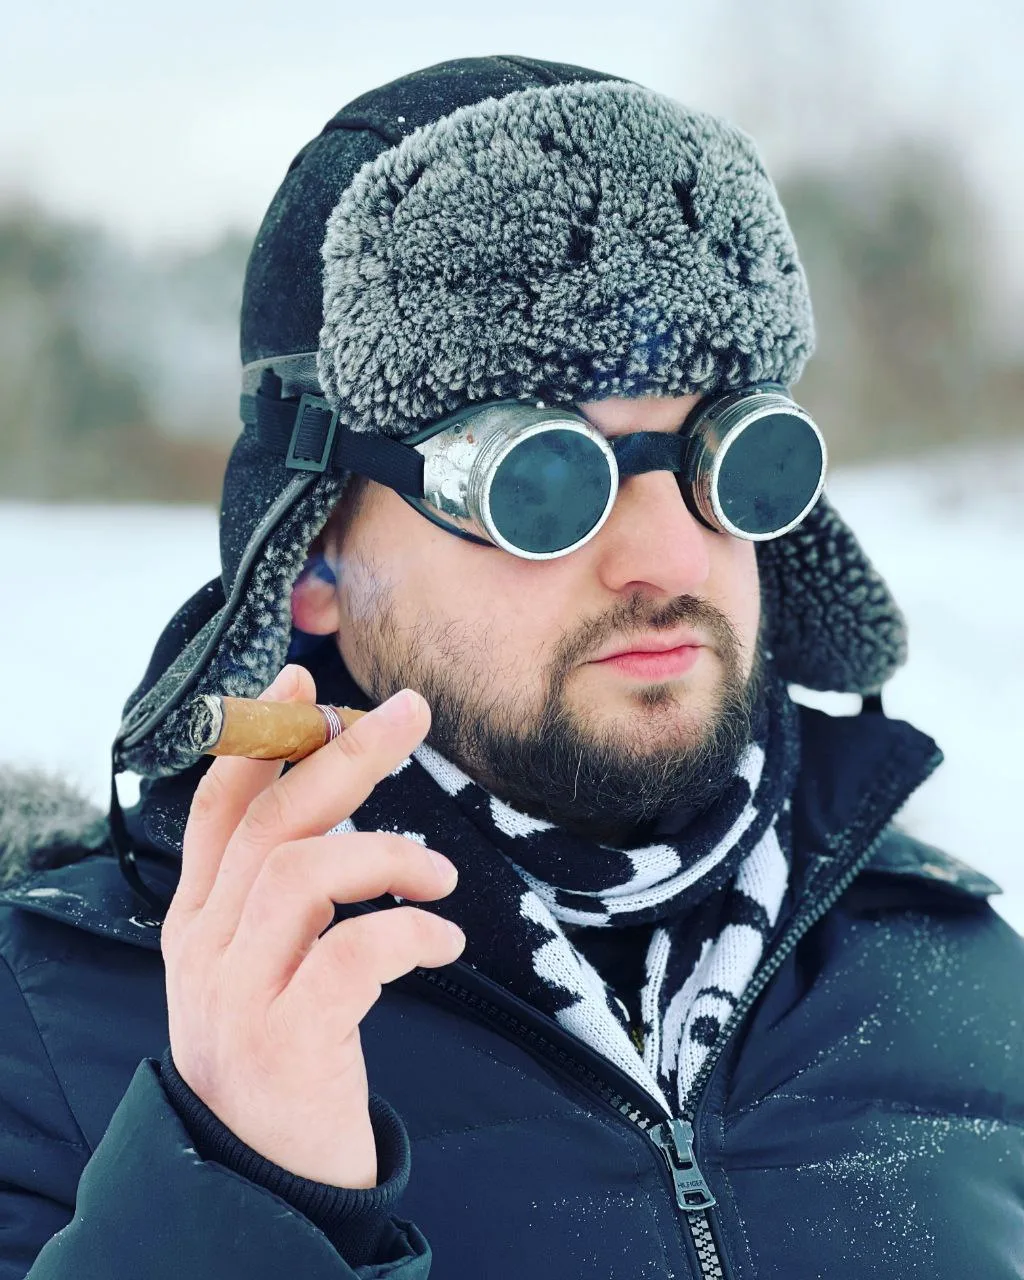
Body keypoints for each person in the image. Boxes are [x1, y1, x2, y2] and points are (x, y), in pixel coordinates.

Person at [0, 54, 1021, 1280]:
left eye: (728, 453)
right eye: (539, 479)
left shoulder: (965, 982)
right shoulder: (50, 1034)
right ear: (312, 551)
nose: (665, 556)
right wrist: (239, 1195)